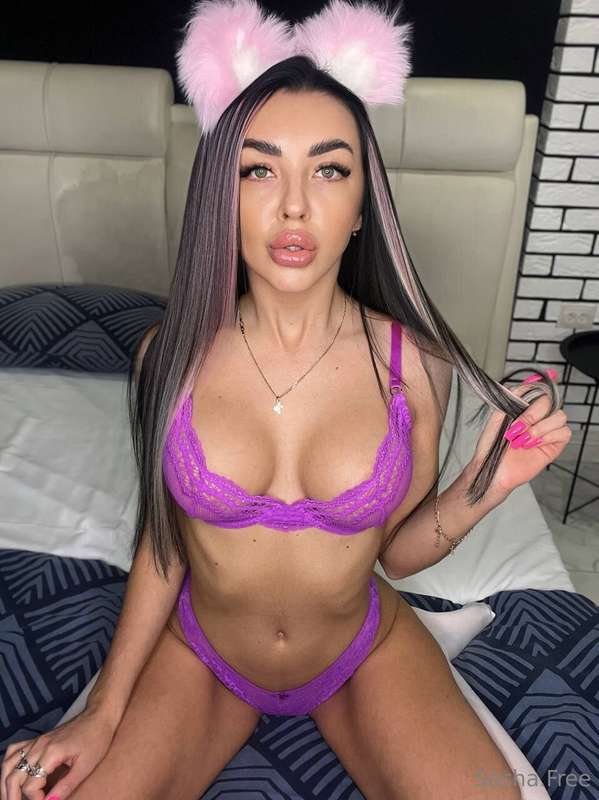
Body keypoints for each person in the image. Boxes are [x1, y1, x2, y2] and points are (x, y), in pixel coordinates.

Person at [1, 1, 571, 798]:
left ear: (363, 204)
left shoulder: (415, 365)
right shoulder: (168, 356)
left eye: (328, 170)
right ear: (221, 194)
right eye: (258, 170)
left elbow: (393, 552)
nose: (294, 205)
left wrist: (489, 486)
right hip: (205, 654)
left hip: (359, 651)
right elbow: (164, 545)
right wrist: (101, 711)